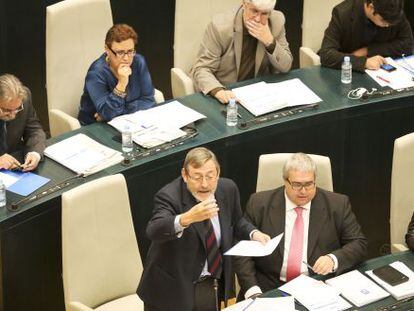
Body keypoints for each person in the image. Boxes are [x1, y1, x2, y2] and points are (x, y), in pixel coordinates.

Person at [138, 147, 270, 311]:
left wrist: (253, 233)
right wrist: (188, 217)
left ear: (218, 172)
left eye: (210, 176)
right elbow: (154, 230)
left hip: (210, 282)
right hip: (172, 288)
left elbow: (236, 221)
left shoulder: (227, 189)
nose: (205, 184)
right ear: (185, 175)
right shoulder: (169, 196)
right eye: (197, 177)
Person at [234, 153, 368, 299]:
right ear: (285, 181)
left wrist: (333, 259)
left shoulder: (337, 204)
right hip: (268, 288)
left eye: (309, 184)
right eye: (297, 185)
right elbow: (242, 250)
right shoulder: (259, 204)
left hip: (317, 286)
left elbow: (359, 244)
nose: (303, 191)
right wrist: (253, 289)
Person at [190, 0, 293, 104]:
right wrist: (218, 91)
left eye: (264, 13)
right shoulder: (220, 27)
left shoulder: (277, 21)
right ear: (244, 4)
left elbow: (286, 66)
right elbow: (202, 68)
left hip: (258, 94)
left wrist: (270, 42)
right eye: (254, 11)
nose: (257, 19)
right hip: (225, 91)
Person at [78, 24, 155, 125]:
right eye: (120, 53)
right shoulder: (96, 73)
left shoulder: (138, 62)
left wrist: (117, 114)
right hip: (95, 126)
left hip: (130, 121)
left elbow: (149, 100)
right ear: (107, 50)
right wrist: (122, 84)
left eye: (130, 51)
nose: (126, 58)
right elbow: (108, 114)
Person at [320, 0, 413, 72]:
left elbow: (408, 44)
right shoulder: (343, 13)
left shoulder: (394, 12)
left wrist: (368, 51)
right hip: (346, 71)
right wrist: (364, 62)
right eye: (383, 20)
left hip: (380, 72)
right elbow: (326, 54)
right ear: (371, 7)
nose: (388, 25)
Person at [0, 74, 46, 171]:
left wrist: (35, 153)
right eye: (7, 110)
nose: (13, 115)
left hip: (15, 162)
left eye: (17, 109)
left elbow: (34, 130)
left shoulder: (24, 99)